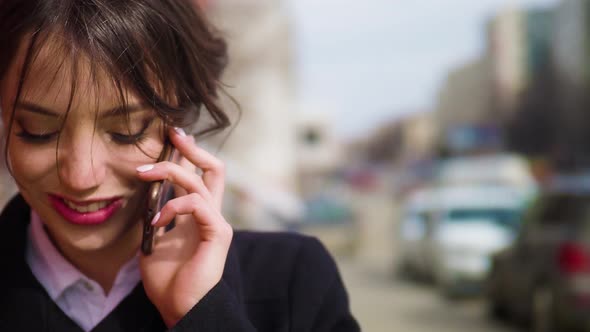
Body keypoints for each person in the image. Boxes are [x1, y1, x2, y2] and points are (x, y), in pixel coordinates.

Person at [0, 0, 361, 331]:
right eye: (39, 131)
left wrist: (200, 313)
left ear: (183, 124)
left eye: (126, 132)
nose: (80, 177)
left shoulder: (295, 281)